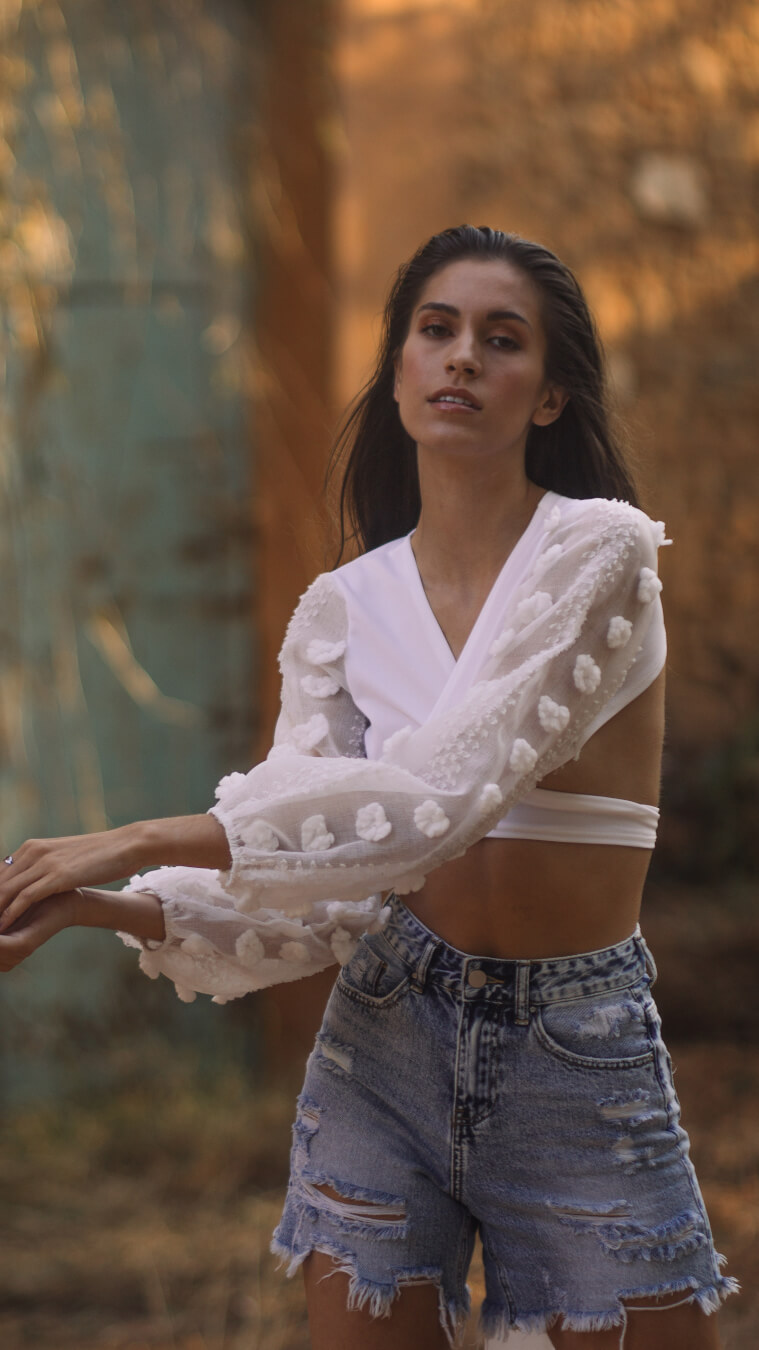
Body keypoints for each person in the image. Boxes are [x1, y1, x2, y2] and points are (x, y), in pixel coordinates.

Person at [0, 225, 738, 1349]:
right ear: (397, 366)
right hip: (384, 1044)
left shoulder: (601, 555)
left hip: (574, 1056)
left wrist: (125, 838)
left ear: (548, 396)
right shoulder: (343, 606)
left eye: (502, 341)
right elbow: (331, 894)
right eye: (434, 330)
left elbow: (437, 805)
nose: (461, 360)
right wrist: (101, 905)